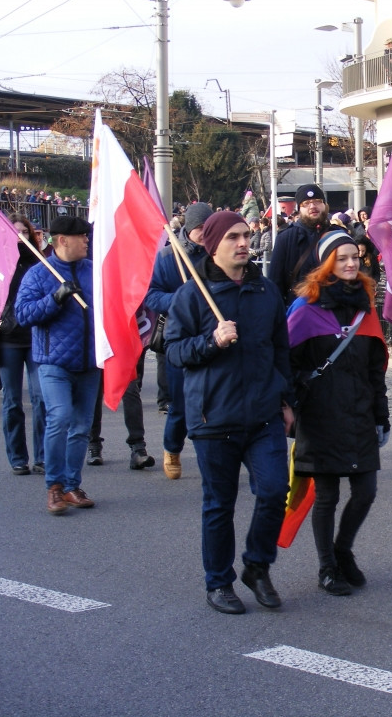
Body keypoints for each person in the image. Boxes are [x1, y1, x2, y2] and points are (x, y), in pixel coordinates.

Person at [165, 211, 295, 615]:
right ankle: (218, 582)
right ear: (213, 246)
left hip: (263, 415)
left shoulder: (266, 291)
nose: (243, 243)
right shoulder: (192, 295)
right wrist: (211, 341)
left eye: (244, 235)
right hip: (213, 417)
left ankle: (257, 565)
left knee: (274, 491)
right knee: (219, 504)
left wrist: (286, 401)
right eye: (232, 238)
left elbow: (280, 350)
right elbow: (173, 351)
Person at [287, 230, 389, 596]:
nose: (350, 263)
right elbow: (287, 363)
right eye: (341, 258)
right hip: (320, 416)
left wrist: (382, 415)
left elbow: (375, 370)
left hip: (359, 414)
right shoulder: (305, 308)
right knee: (327, 496)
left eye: (355, 258)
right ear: (326, 263)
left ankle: (343, 550)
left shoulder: (366, 308)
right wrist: (299, 397)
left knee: (366, 491)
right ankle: (327, 567)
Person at [15, 216, 101, 515]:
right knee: (60, 417)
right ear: (62, 240)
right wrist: (56, 298)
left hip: (89, 362)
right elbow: (23, 315)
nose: (87, 240)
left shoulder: (95, 271)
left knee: (80, 427)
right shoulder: (39, 273)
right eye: (81, 236)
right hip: (53, 362)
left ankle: (71, 485)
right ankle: (54, 486)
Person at [144, 201, 213, 479]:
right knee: (181, 404)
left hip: (211, 336)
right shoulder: (167, 257)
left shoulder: (218, 254)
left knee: (212, 402)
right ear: (188, 228)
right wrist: (182, 299)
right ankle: (172, 448)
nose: (204, 235)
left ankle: (210, 456)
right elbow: (151, 295)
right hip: (179, 338)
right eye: (199, 229)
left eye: (208, 229)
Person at [0, 215, 47, 474]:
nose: (20, 237)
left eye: (25, 232)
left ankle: (42, 456)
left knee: (41, 398)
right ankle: (18, 457)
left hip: (35, 337)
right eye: (14, 232)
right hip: (8, 339)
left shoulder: (39, 264)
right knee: (12, 400)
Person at [268, 184, 330, 306]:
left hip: (332, 312)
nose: (312, 206)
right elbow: (275, 283)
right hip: (298, 310)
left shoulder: (336, 234)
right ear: (299, 209)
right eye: (306, 203)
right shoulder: (285, 238)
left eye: (317, 201)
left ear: (324, 205)